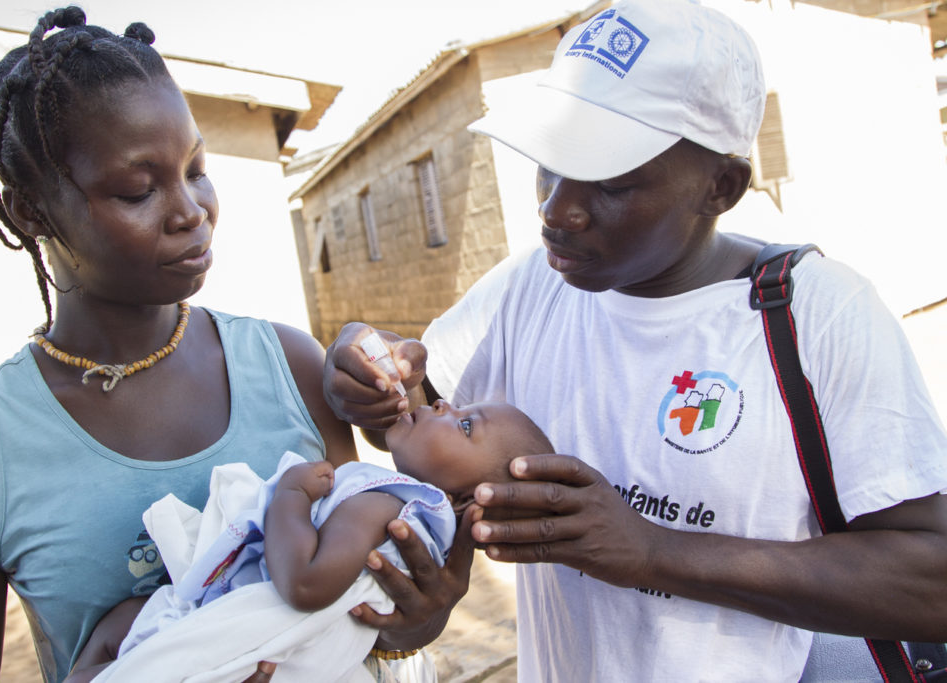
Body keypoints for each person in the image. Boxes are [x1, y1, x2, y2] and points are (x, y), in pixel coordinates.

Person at [322, 0, 947, 681]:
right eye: (551, 163)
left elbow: (932, 580)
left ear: (722, 186)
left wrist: (651, 549)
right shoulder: (528, 287)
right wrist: (366, 375)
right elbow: (412, 427)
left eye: (612, 182)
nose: (556, 208)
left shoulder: (820, 316)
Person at [0, 8, 469, 682]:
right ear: (28, 210)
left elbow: (353, 619)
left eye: (196, 168)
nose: (191, 211)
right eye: (138, 189)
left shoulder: (290, 366)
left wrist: (411, 619)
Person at [64, 400, 550, 682]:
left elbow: (304, 585)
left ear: (466, 501)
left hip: (246, 631)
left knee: (119, 637)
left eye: (466, 425)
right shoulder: (410, 523)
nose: (445, 404)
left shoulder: (384, 505)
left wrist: (291, 496)